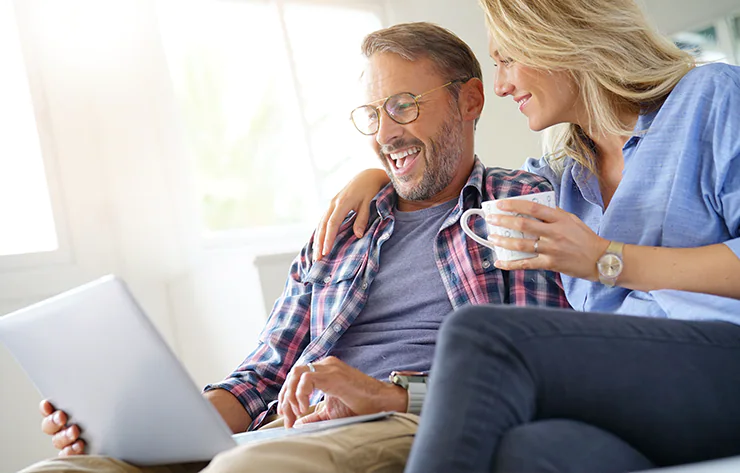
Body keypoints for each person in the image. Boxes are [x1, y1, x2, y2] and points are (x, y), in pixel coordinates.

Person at [22, 22, 570, 473]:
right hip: (293, 427)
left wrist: (392, 391)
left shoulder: (517, 202)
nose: (386, 134)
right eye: (373, 115)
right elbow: (263, 374)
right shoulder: (342, 230)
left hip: (410, 419)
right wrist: (133, 427)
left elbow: (532, 366)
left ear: (470, 100)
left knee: (243, 471)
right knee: (59, 472)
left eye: (404, 106)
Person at [314, 1, 740, 472]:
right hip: (633, 392)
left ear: (563, 38)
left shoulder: (711, 97)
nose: (500, 85)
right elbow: (465, 184)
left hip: (721, 362)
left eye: (508, 59)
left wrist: (605, 260)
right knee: (529, 451)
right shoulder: (561, 173)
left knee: (483, 333)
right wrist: (380, 179)